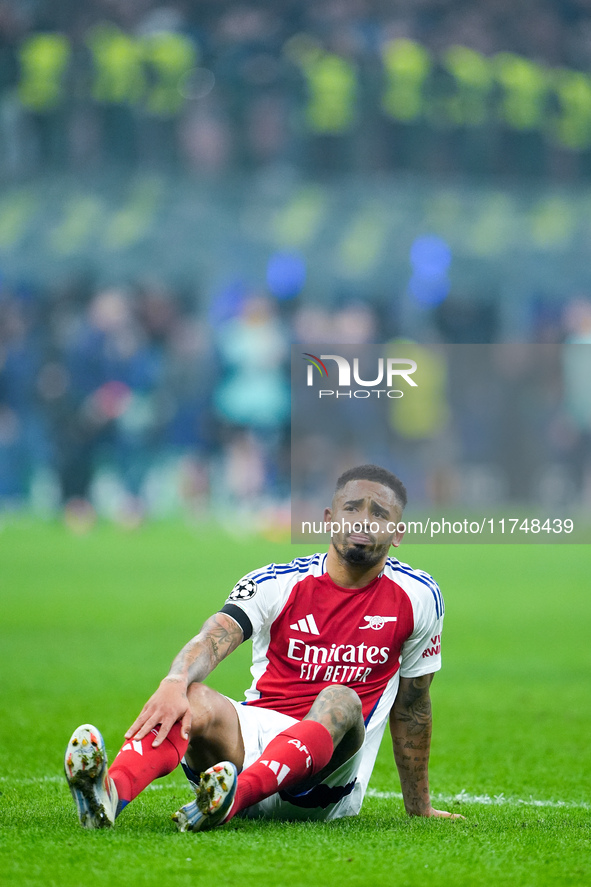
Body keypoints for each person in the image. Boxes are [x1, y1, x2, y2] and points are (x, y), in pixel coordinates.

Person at [64, 464, 461, 830]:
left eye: (379, 514)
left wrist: (419, 807)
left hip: (326, 781)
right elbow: (214, 636)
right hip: (247, 749)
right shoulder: (276, 582)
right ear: (328, 519)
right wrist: (174, 680)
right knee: (193, 695)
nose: (363, 521)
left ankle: (231, 799)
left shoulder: (418, 596)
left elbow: (412, 706)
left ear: (398, 533)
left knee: (341, 698)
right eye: (352, 508)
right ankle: (108, 797)